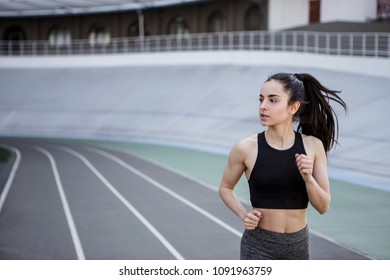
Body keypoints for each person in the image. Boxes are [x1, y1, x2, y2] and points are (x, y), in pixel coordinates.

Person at [218, 72, 347, 260]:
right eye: (261, 99)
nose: (263, 106)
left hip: (298, 247)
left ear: (293, 107)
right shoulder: (245, 148)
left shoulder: (313, 146)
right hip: (258, 246)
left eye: (273, 100)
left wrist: (308, 178)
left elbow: (323, 206)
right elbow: (225, 188)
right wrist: (244, 214)